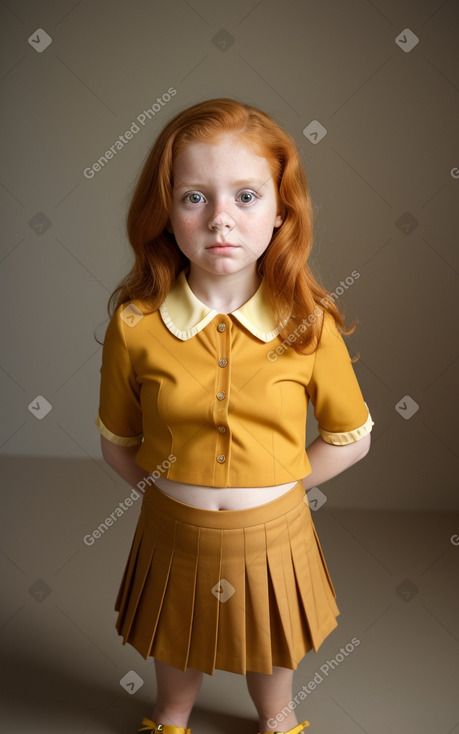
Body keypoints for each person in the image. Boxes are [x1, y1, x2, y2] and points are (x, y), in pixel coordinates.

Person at [94, 98, 374, 734]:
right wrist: (168, 494)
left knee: (271, 637)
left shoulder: (310, 324)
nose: (221, 219)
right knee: (176, 632)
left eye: (246, 196)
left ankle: (278, 716)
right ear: (165, 212)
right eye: (195, 197)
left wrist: (281, 492)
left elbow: (351, 436)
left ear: (282, 212)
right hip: (174, 529)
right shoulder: (136, 324)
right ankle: (171, 715)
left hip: (275, 532)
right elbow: (118, 438)